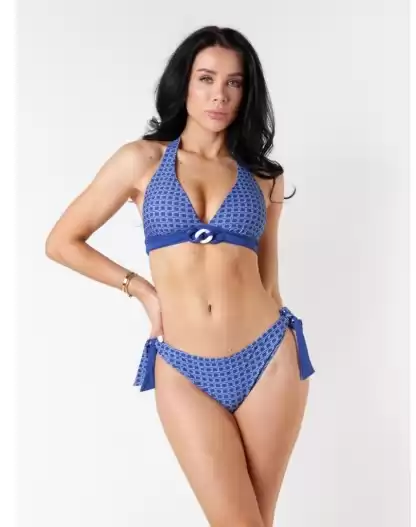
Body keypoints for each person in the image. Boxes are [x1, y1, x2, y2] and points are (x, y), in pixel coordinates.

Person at [45, 25, 315, 527]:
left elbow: (269, 281)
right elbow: (62, 242)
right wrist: (142, 290)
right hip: (184, 368)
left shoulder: (265, 177)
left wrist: (282, 335)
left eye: (234, 83)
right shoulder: (141, 160)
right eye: (206, 78)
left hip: (268, 361)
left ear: (247, 92)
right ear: (184, 84)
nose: (219, 94)